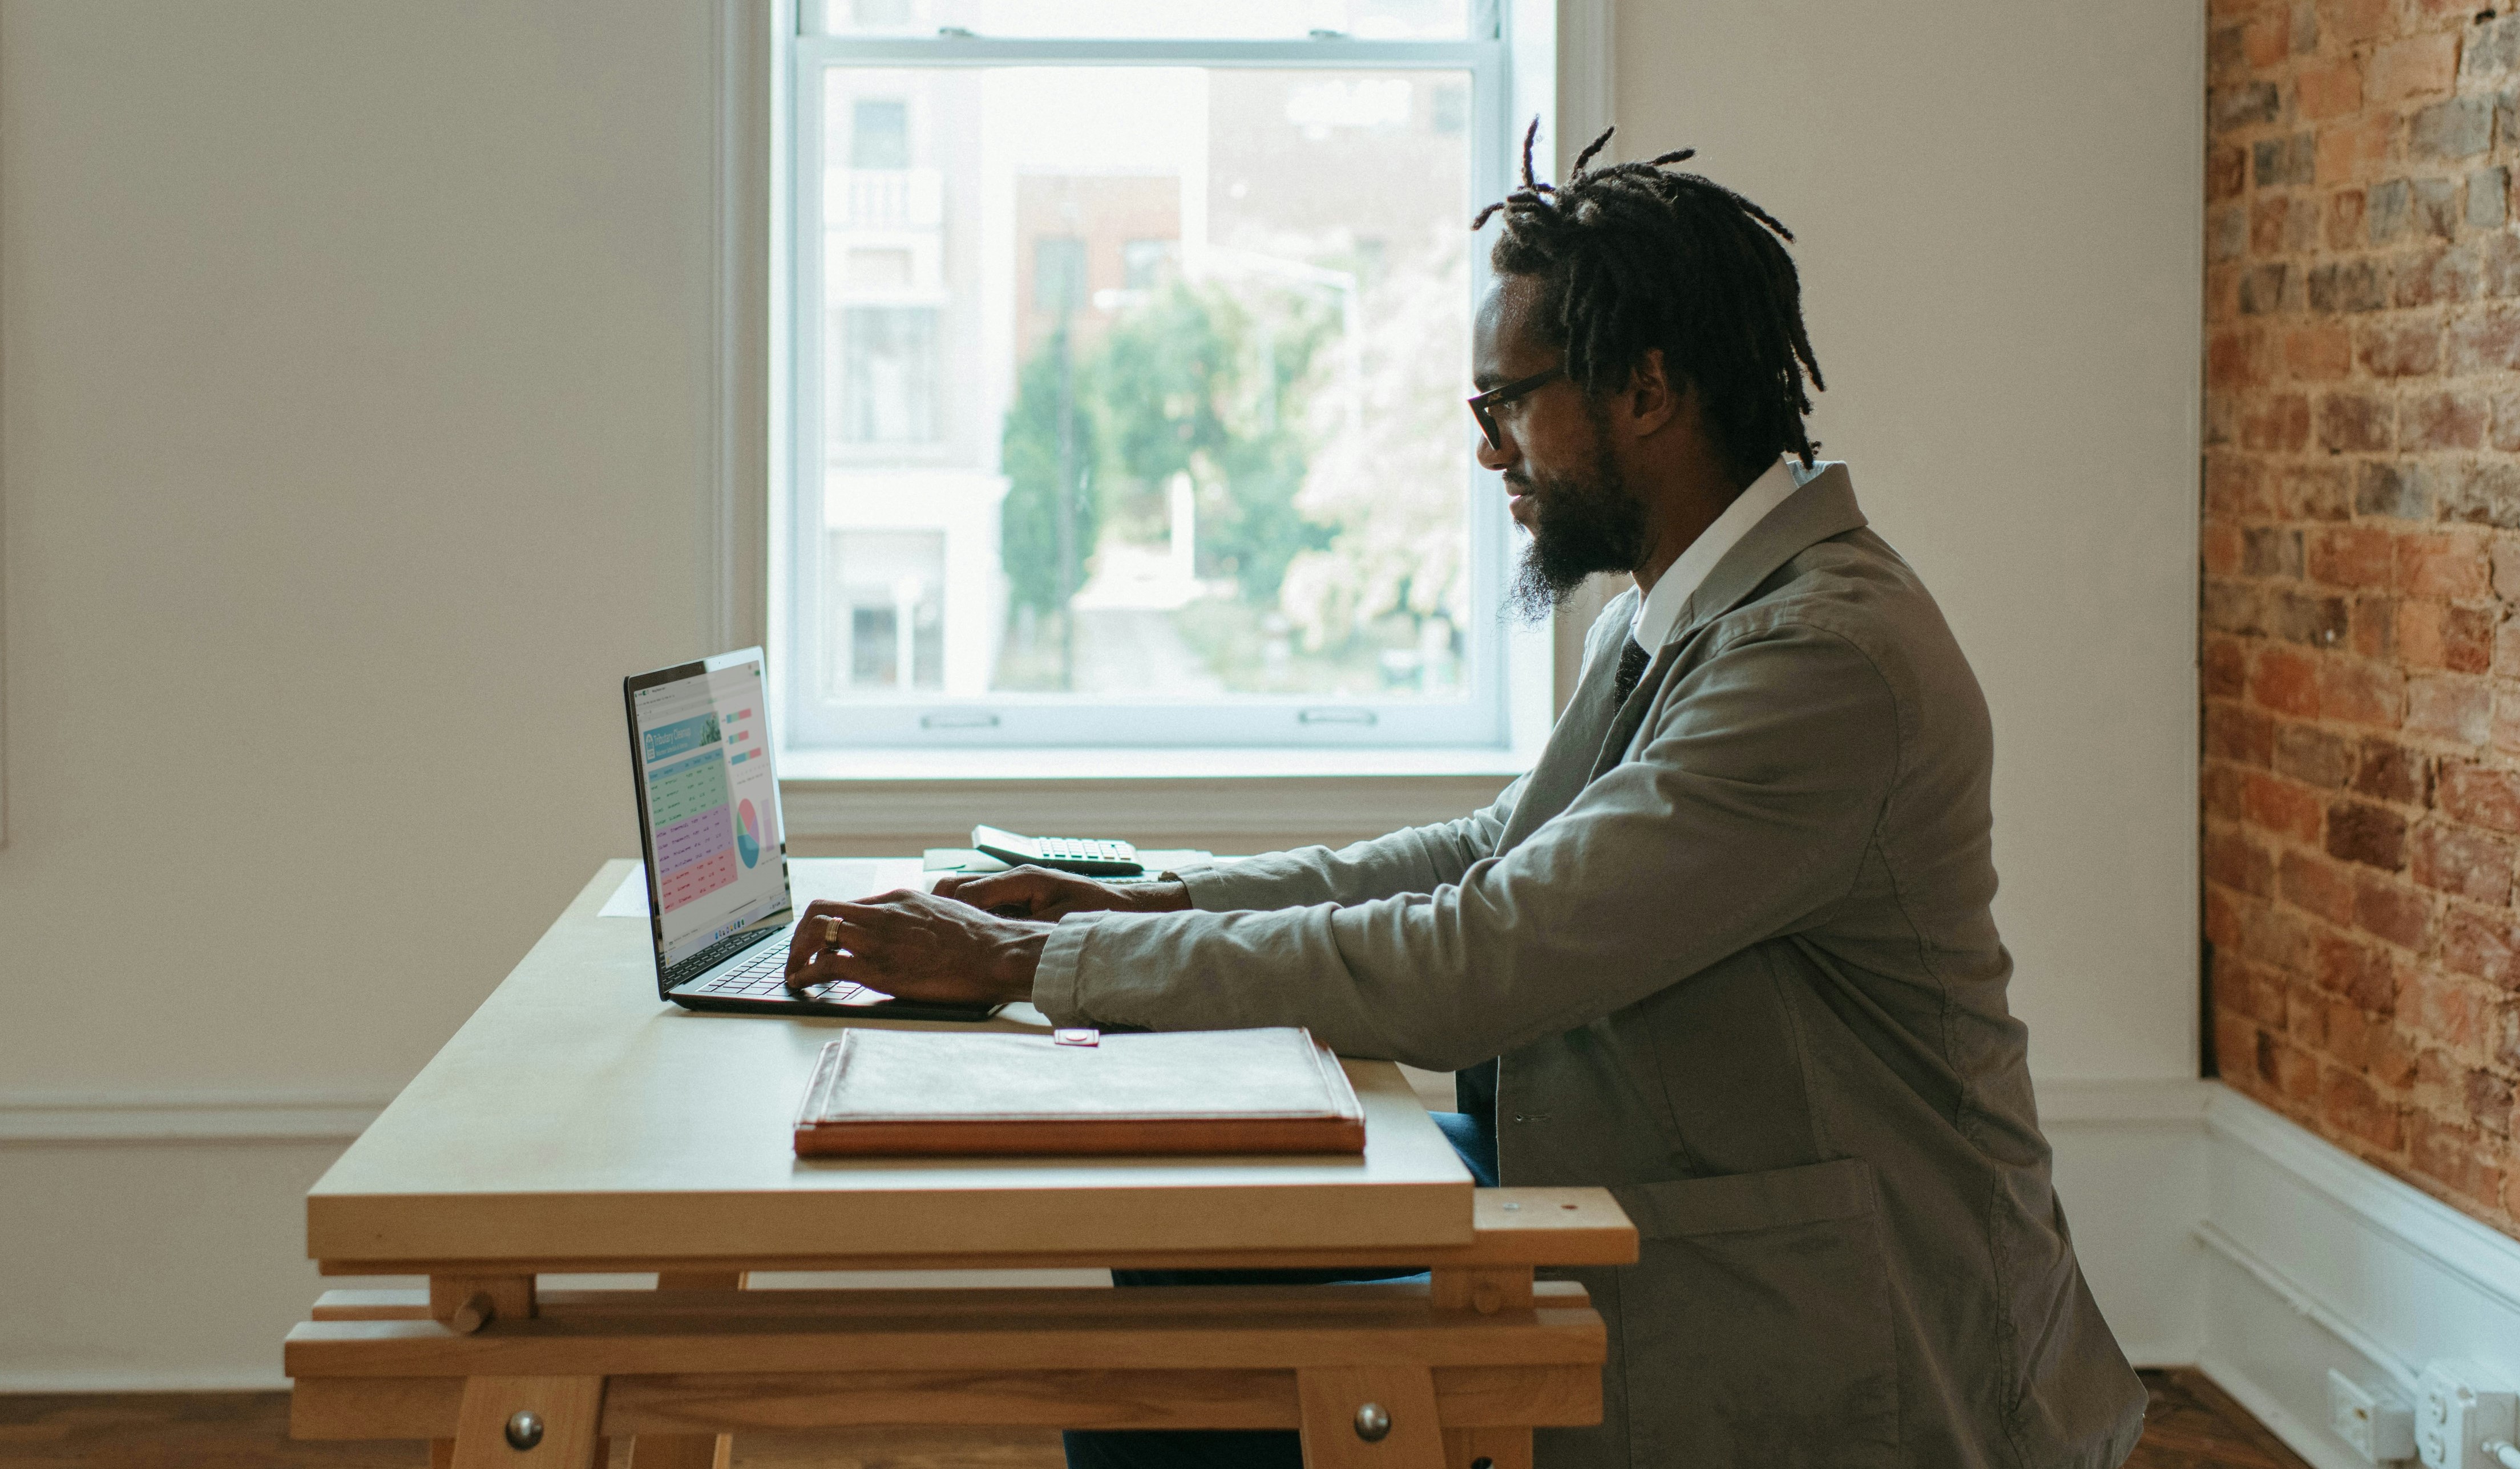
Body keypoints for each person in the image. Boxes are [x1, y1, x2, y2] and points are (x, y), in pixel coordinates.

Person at [784, 125, 2147, 1469]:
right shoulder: (1679, 615)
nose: (1491, 450)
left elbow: (1479, 955)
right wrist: (1148, 896)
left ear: (1648, 391)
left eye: (1507, 403)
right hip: (1646, 1182)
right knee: (1181, 1270)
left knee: (1179, 1387)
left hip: (1835, 1316)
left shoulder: (1820, 662)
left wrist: (1039, 960)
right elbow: (1493, 853)